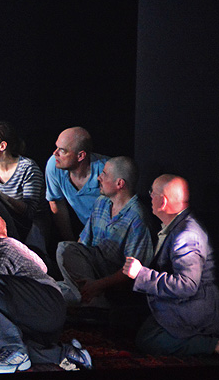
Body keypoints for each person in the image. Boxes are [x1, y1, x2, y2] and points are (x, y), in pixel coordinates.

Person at [0, 213, 92, 373]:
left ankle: (15, 351)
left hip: (46, 305)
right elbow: (43, 268)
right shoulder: (19, 247)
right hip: (44, 317)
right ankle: (65, 354)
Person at [122, 175, 219, 356]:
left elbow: (187, 286)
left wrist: (141, 274)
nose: (149, 197)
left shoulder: (186, 235)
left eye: (152, 193)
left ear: (163, 201)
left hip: (194, 308)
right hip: (175, 302)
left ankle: (211, 345)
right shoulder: (176, 225)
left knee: (147, 340)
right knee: (125, 321)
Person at [57, 156, 153, 308]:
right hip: (91, 273)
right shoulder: (101, 202)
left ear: (119, 183)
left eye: (104, 174)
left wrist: (98, 285)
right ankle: (86, 296)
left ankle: (93, 300)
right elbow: (83, 243)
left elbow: (132, 271)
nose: (99, 177)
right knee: (64, 251)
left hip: (113, 285)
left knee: (60, 293)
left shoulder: (137, 218)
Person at [0, 121, 46, 241]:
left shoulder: (27, 168)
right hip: (5, 223)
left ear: (2, 146)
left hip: (30, 227)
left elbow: (29, 212)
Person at [45, 127, 110, 241]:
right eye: (56, 147)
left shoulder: (106, 171)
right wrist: (71, 241)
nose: (55, 153)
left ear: (81, 156)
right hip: (86, 232)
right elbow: (56, 202)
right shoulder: (54, 165)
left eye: (62, 150)